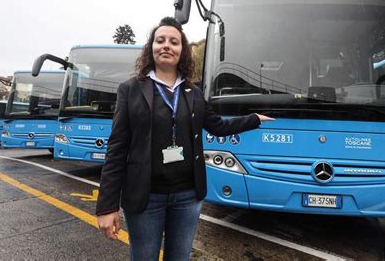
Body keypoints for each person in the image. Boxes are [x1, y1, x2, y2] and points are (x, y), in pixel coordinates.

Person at [96, 16, 273, 260]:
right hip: (146, 197)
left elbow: (218, 126)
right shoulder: (131, 89)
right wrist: (107, 206)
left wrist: (253, 119)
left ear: (182, 51)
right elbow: (116, 148)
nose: (166, 45)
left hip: (187, 197)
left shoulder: (193, 92)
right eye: (160, 40)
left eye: (174, 42)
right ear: (151, 48)